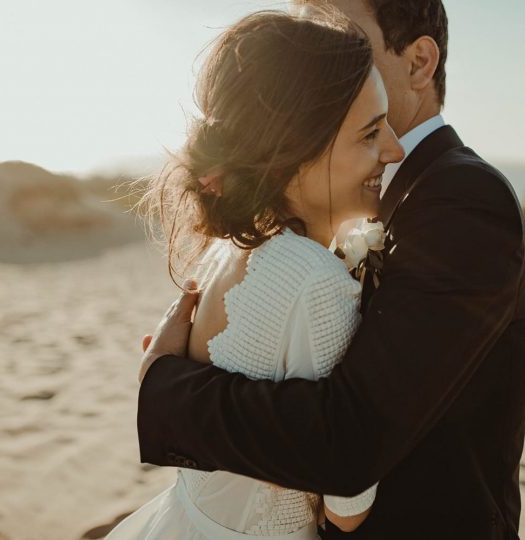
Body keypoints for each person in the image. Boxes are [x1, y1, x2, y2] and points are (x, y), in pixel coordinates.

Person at [137, 1, 525, 538]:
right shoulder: (328, 203)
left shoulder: (464, 198)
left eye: (342, 34)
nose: (324, 54)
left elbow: (352, 437)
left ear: (420, 63)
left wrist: (166, 389)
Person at [108, 8, 405, 539]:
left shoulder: (222, 251)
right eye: (369, 134)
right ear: (293, 153)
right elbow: (346, 506)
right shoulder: (316, 281)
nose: (394, 149)